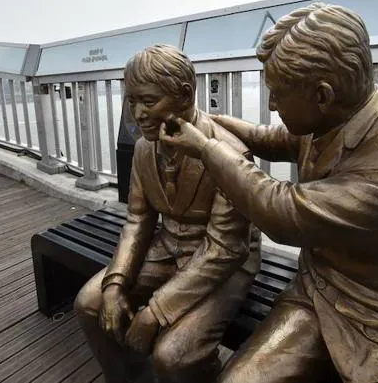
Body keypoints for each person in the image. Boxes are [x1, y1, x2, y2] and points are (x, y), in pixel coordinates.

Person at [159, 3, 378, 383]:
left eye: (277, 94)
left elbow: (282, 212)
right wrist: (206, 124)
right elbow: (271, 139)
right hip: (321, 293)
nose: (271, 103)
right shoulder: (342, 114)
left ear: (321, 95)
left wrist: (205, 148)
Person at [74, 44, 261, 383]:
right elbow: (137, 220)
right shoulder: (145, 148)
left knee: (173, 355)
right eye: (132, 101)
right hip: (167, 246)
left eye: (148, 101)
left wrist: (155, 313)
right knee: (90, 302)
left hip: (224, 260)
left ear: (186, 95)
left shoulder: (229, 154)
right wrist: (115, 285)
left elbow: (226, 249)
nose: (138, 114)